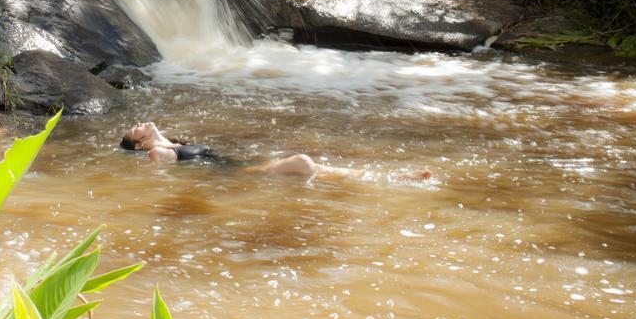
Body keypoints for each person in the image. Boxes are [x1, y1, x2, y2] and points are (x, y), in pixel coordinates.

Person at [119, 121, 432, 181]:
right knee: (304, 162)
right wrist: (154, 153)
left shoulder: (179, 144)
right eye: (133, 131)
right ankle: (398, 179)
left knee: (323, 170)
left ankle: (396, 177)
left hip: (242, 165)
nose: (137, 124)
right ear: (140, 143)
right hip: (236, 174)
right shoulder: (159, 152)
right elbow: (155, 172)